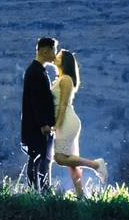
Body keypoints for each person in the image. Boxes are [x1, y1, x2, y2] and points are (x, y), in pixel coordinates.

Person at [51, 49, 108, 197]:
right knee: (71, 161)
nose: (55, 57)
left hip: (66, 121)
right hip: (65, 121)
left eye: (58, 56)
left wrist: (57, 125)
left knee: (60, 158)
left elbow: (63, 105)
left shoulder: (66, 79)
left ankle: (96, 164)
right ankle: (80, 195)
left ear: (64, 62)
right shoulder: (61, 78)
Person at [20, 36, 58, 191]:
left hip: (36, 126)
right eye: (53, 51)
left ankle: (37, 190)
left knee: (38, 159)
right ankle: (39, 190)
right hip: (37, 127)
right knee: (39, 160)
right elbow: (36, 101)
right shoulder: (36, 72)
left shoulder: (37, 70)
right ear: (44, 51)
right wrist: (44, 124)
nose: (55, 55)